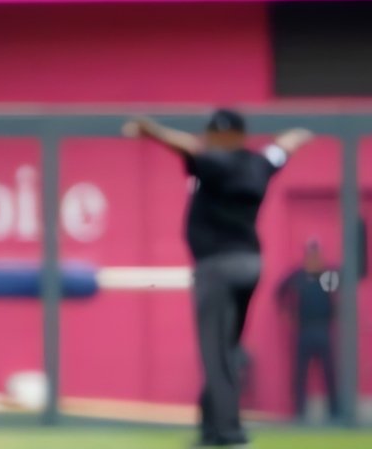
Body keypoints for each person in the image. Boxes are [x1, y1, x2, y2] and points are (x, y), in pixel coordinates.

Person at [123, 109, 314, 448]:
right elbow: (283, 146)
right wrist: (300, 133)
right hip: (250, 264)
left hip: (217, 267)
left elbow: (186, 146)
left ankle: (229, 434)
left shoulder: (215, 163)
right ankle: (211, 428)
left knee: (217, 353)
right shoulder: (258, 163)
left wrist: (150, 129)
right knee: (227, 349)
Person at [276, 240, 340, 422]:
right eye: (310, 255)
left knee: (329, 372)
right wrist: (287, 313)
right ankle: (300, 412)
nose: (314, 258)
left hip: (323, 329)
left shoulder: (328, 275)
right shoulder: (297, 276)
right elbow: (280, 291)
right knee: (300, 372)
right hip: (304, 330)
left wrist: (335, 313)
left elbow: (338, 293)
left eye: (316, 255)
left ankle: (335, 411)